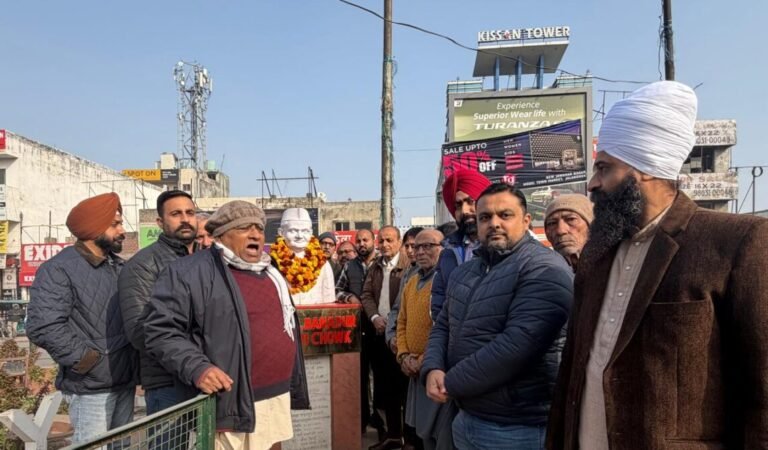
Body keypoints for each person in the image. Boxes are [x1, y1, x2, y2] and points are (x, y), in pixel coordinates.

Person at [547, 81, 768, 450]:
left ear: (645, 169)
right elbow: (573, 369)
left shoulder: (736, 242)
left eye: (604, 169)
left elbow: (762, 387)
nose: (592, 184)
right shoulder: (597, 253)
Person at [145, 200, 309, 450]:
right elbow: (161, 331)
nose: (255, 234)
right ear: (221, 235)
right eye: (244, 228)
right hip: (232, 400)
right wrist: (197, 368)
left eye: (259, 228)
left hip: (275, 396)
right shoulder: (189, 272)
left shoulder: (270, 271)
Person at [421, 183, 573, 450]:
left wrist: (450, 382)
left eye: (505, 215)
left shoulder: (543, 268)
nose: (494, 224)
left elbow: (517, 345)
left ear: (526, 220)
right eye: (485, 217)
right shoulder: (466, 271)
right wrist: (432, 367)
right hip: (466, 416)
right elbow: (443, 324)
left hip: (518, 427)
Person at [26, 193, 136, 444]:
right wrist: (89, 361)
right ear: (94, 228)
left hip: (124, 382)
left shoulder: (118, 267)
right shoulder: (58, 269)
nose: (122, 231)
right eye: (115, 224)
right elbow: (43, 326)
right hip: (90, 388)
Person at [119, 190, 198, 414]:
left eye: (190, 213)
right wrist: (192, 361)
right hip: (168, 381)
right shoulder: (143, 265)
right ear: (160, 222)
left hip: (209, 375)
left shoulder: (208, 259)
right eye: (176, 214)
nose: (185, 219)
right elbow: (140, 331)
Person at [396, 229, 453, 450]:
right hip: (413, 370)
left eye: (428, 246)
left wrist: (424, 359)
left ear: (443, 249)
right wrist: (403, 356)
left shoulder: (447, 281)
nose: (419, 252)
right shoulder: (412, 282)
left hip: (436, 369)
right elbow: (401, 321)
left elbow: (446, 327)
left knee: (441, 435)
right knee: (423, 434)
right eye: (416, 247)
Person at [361, 226, 413, 450]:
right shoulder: (375, 266)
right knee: (386, 387)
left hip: (402, 336)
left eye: (389, 240)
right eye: (381, 240)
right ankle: (393, 435)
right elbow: (366, 294)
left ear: (399, 242)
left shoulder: (409, 265)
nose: (384, 245)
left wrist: (393, 325)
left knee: (406, 390)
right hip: (379, 334)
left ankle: (410, 439)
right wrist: (374, 317)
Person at [335, 229, 383, 436]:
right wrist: (349, 298)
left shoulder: (382, 263)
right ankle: (361, 422)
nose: (362, 243)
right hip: (358, 328)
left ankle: (382, 424)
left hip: (380, 329)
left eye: (366, 240)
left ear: (374, 241)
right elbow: (337, 290)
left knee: (381, 378)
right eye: (359, 240)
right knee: (360, 377)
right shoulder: (350, 266)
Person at [431, 169, 491, 320]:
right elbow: (438, 299)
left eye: (471, 202)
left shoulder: (500, 246)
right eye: (458, 205)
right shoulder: (447, 252)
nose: (464, 211)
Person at [270, 208, 336, 305]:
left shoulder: (323, 264)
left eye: (305, 231)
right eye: (293, 231)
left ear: (311, 232)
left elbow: (329, 302)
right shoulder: (272, 263)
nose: (300, 236)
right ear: (281, 232)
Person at [385, 226, 424, 355]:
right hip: (403, 342)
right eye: (407, 246)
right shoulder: (407, 273)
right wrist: (391, 336)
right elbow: (398, 307)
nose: (410, 251)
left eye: (414, 246)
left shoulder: (433, 273)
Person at [543, 194, 593, 270]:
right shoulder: (542, 270)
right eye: (552, 223)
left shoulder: (610, 265)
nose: (560, 231)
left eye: (571, 219)